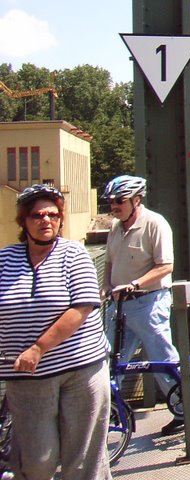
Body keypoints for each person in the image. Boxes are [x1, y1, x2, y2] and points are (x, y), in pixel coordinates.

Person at [0, 184, 113, 480]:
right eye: (37, 215)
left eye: (52, 214)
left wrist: (38, 348)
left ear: (61, 219)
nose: (46, 220)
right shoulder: (5, 260)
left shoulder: (74, 254)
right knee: (37, 461)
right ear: (24, 221)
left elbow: (82, 307)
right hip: (26, 376)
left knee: (84, 460)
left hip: (80, 369)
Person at [100, 174, 190, 436]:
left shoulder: (155, 223)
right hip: (119, 306)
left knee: (162, 359)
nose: (114, 206)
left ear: (136, 200)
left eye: (119, 201)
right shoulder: (115, 227)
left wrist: (135, 283)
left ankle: (187, 412)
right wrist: (106, 285)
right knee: (108, 359)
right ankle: (103, 414)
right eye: (111, 201)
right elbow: (110, 261)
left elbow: (166, 265)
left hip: (149, 301)